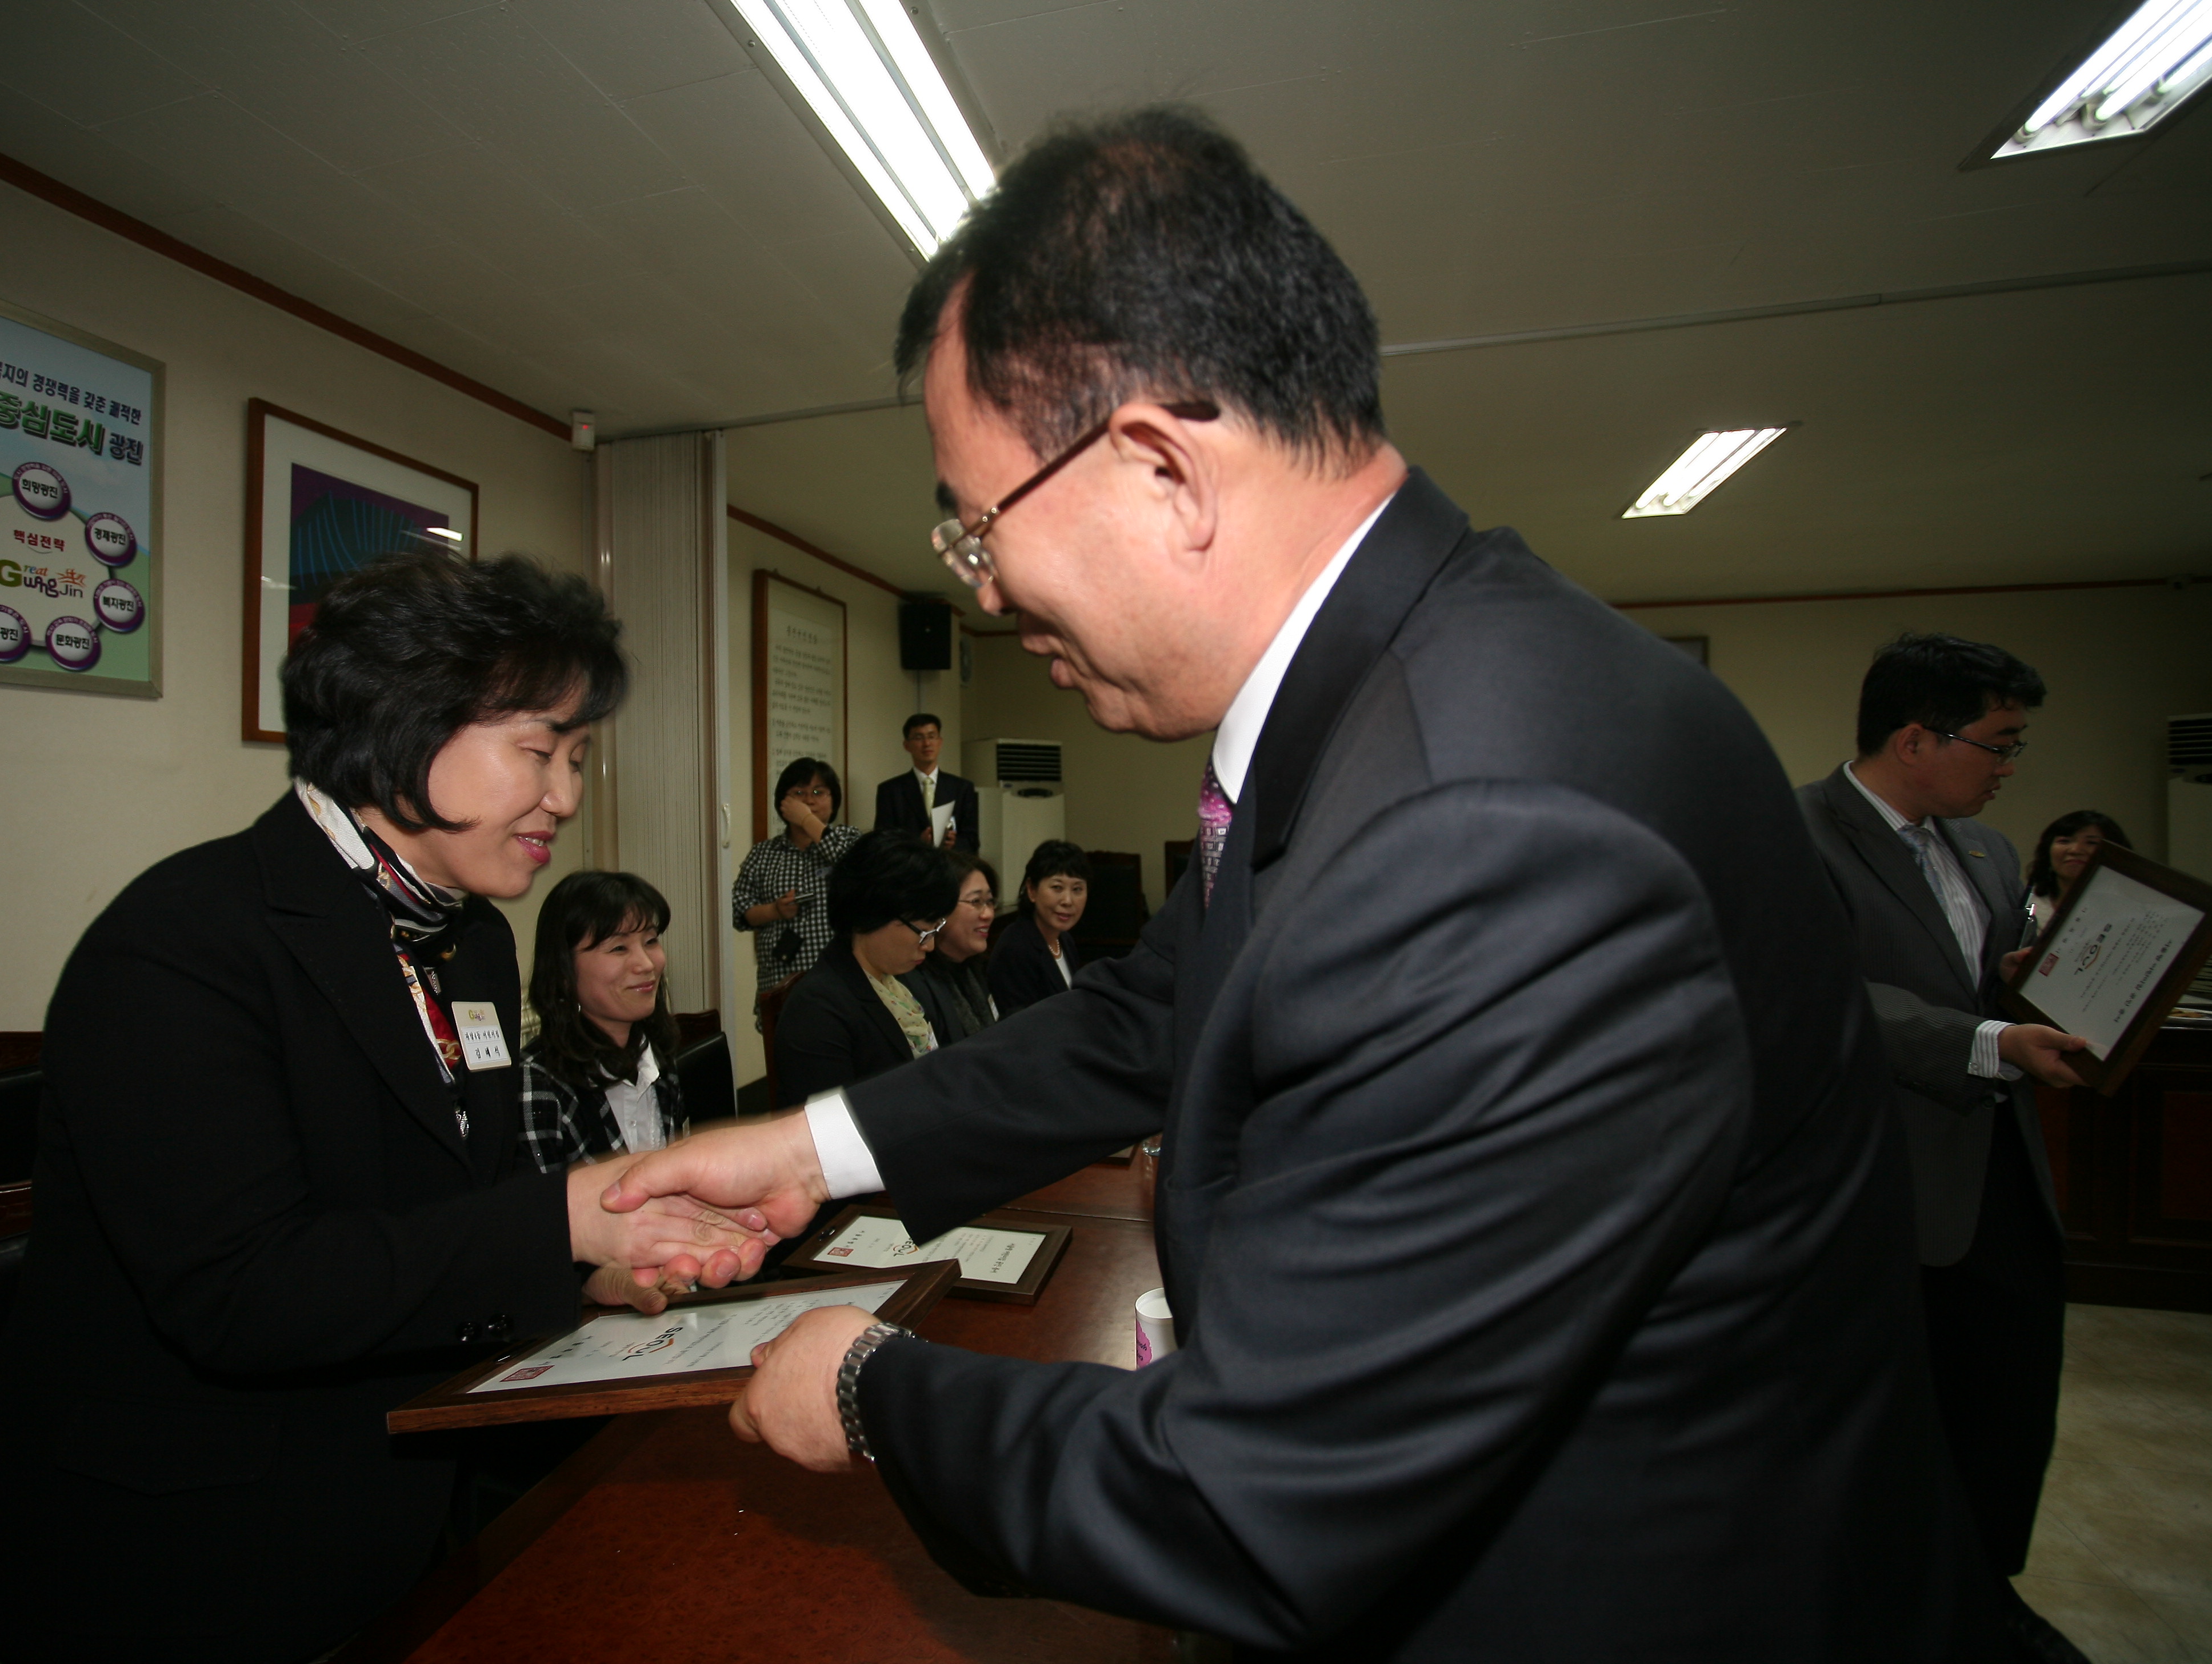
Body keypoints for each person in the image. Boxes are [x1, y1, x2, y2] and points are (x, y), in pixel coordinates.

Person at [603, 107, 1996, 1661]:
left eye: (977, 530)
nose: (981, 591)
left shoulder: (1486, 820)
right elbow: (1156, 1008)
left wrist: (871, 1390)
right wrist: (813, 1149)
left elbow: (1257, 1506)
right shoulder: (1407, 684)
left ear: (1159, 465)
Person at [0, 551, 769, 1664]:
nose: (566, 796)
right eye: (538, 752)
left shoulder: (469, 936)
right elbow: (243, 1290)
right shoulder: (185, 941)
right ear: (400, 727)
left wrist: (591, 1272)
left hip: (402, 1502)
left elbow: (438, 1209)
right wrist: (560, 1217)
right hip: (181, 1554)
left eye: (577, 758)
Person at [1796, 634, 2091, 1663]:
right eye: (1995, 743)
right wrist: (1984, 1039)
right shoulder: (1796, 834)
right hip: (1883, 1183)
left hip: (2000, 1165)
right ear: (1914, 738)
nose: (2009, 768)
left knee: (2005, 1398)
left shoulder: (1986, 850)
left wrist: (2026, 984)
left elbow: (1976, 981)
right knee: (1890, 1416)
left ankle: (1978, 1588)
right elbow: (1818, 996)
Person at [769, 831, 960, 1107]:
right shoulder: (818, 1009)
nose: (929, 947)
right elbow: (831, 1134)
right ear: (872, 913)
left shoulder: (905, 981)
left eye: (936, 930)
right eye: (923, 931)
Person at [519, 869, 687, 1173]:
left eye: (651, 941)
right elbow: (545, 1212)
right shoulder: (538, 1085)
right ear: (564, 968)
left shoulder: (656, 1056)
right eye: (619, 948)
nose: (647, 964)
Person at [731, 758, 859, 1014]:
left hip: (843, 982)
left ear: (833, 799)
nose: (809, 801)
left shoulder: (848, 839)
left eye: (818, 792)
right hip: (780, 982)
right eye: (799, 793)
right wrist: (774, 911)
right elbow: (738, 909)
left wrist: (807, 819)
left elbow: (854, 866)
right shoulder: (763, 853)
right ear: (783, 802)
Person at [906, 848, 1000, 1043]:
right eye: (976, 901)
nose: (988, 914)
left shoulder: (976, 969)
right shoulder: (914, 984)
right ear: (940, 907)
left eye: (990, 902)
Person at [986, 838, 1087, 1015]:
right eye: (1057, 887)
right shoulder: (1016, 948)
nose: (1068, 901)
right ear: (1032, 890)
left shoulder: (1064, 939)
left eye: (1077, 889)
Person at [871, 712, 979, 851]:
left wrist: (954, 843)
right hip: (909, 868)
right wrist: (918, 841)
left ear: (940, 742)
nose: (927, 744)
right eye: (919, 738)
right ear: (907, 746)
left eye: (932, 737)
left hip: (950, 867)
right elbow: (882, 842)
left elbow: (973, 841)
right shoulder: (891, 790)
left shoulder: (962, 788)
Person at [2025, 809, 2132, 934]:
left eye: (2091, 843)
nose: (2076, 850)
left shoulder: (2129, 910)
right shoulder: (2027, 905)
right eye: (2064, 841)